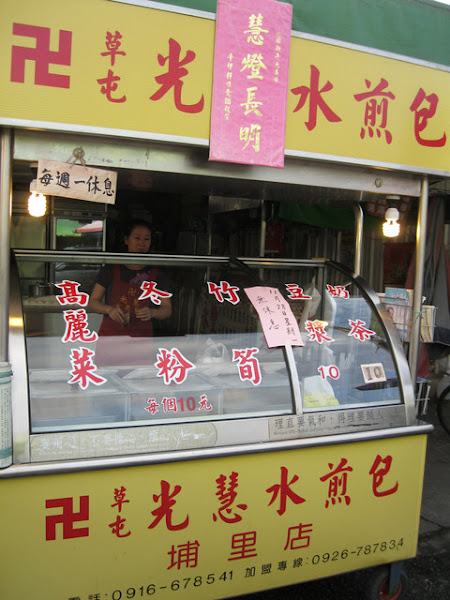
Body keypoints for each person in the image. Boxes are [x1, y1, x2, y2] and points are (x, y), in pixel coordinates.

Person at [88, 220, 172, 365]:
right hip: (111, 339)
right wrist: (109, 310)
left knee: (136, 376)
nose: (142, 243)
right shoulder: (110, 270)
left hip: (140, 341)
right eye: (137, 238)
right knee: (107, 376)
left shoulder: (156, 274)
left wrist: (152, 312)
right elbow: (93, 302)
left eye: (147, 239)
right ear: (126, 240)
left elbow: (167, 309)